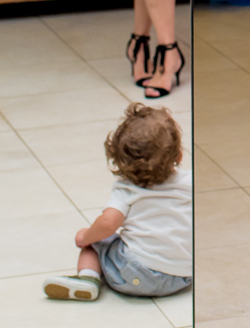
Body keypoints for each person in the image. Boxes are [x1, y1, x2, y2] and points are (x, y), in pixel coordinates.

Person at [42, 103, 191, 302]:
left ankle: (88, 279)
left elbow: (108, 223)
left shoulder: (126, 189)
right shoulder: (190, 182)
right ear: (179, 155)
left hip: (137, 275)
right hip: (182, 276)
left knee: (96, 242)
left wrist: (86, 236)